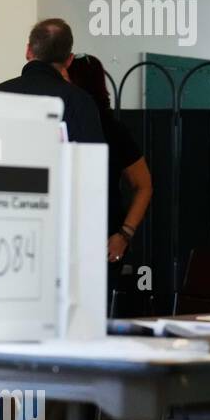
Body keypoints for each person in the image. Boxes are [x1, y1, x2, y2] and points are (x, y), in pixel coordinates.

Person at [0, 18, 107, 420]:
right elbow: (90, 177)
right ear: (68, 59)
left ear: (28, 51)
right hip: (51, 240)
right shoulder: (78, 102)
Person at [66, 54, 153, 268]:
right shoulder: (64, 122)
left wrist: (124, 235)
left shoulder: (112, 130)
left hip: (103, 239)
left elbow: (144, 185)